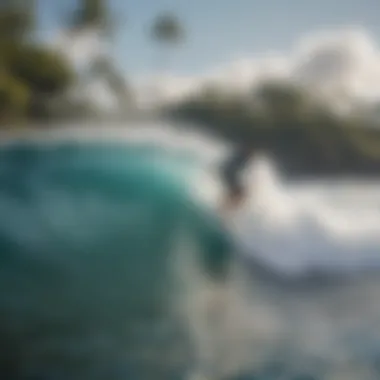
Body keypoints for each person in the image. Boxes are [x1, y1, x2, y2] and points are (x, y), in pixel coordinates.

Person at [218, 142, 256, 216]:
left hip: (228, 172)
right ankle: (224, 210)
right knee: (239, 192)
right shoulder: (242, 157)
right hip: (228, 173)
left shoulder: (243, 157)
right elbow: (232, 167)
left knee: (238, 192)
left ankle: (224, 209)